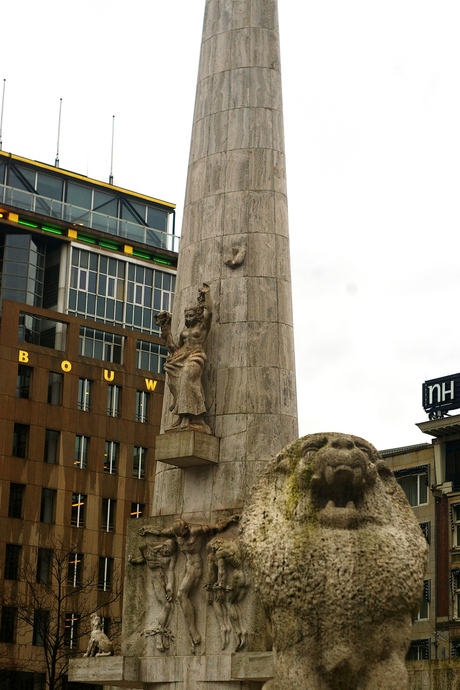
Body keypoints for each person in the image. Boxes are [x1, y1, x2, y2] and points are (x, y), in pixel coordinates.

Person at [139, 516, 237, 653]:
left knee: (181, 594)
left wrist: (231, 520)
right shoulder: (175, 532)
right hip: (187, 567)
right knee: (181, 597)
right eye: (179, 536)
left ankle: (193, 630)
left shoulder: (196, 531)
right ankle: (192, 632)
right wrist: (148, 529)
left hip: (196, 567)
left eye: (183, 534)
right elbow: (161, 531)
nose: (182, 538)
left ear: (186, 528)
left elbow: (216, 527)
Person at [154, 284, 212, 433]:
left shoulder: (202, 328)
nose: (188, 318)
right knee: (181, 384)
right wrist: (165, 329)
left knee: (187, 378)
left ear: (196, 315)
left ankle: (192, 417)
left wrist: (206, 296)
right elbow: (174, 348)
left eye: (191, 315)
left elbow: (209, 313)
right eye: (186, 316)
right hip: (182, 358)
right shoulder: (184, 332)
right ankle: (182, 418)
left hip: (196, 357)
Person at [128, 539, 177, 652]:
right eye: (166, 549)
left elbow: (171, 571)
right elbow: (142, 548)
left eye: (170, 551)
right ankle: (158, 634)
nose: (167, 552)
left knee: (170, 606)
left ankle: (162, 632)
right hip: (157, 581)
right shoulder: (154, 552)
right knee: (167, 606)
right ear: (163, 546)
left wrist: (170, 585)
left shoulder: (171, 557)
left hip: (164, 580)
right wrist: (157, 546)